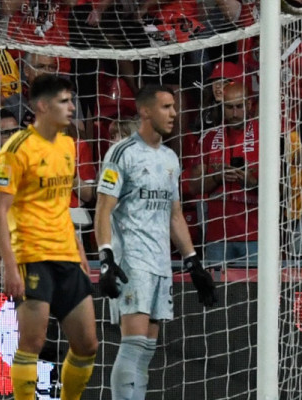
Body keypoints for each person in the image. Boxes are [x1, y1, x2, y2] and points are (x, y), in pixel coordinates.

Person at [91, 85, 217, 400]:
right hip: (131, 261)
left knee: (147, 350)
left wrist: (192, 261)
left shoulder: (171, 158)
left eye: (174, 107)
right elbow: (103, 208)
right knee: (133, 346)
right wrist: (106, 258)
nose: (174, 113)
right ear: (145, 111)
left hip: (161, 263)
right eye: (166, 107)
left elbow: (175, 214)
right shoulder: (122, 153)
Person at [0, 74, 97, 400]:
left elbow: (61, 204)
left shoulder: (68, 145)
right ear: (41, 106)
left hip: (67, 255)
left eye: (71, 101)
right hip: (32, 257)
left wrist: (79, 249)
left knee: (87, 345)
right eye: (64, 102)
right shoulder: (15, 148)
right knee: (32, 343)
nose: (71, 108)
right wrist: (10, 267)